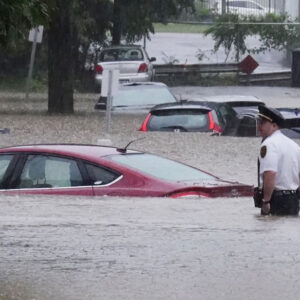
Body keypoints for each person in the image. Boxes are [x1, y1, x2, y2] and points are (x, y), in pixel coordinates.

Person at [257, 105, 300, 216]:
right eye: (259, 122)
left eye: (263, 123)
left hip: (276, 200)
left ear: (274, 126)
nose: (259, 126)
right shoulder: (293, 145)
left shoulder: (269, 144)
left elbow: (270, 173)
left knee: (268, 230)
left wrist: (266, 201)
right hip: (293, 199)